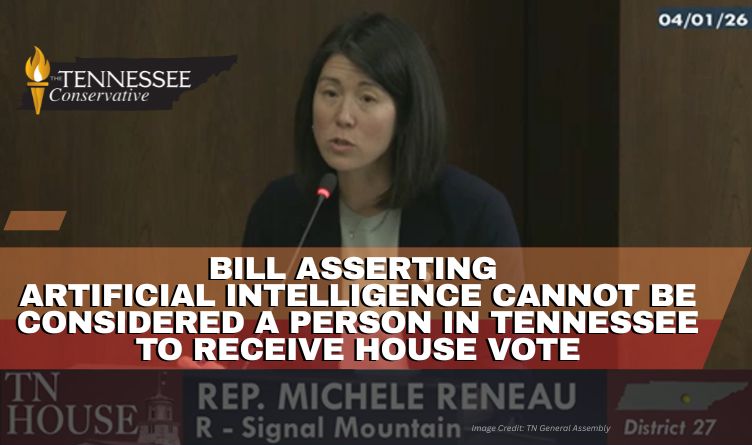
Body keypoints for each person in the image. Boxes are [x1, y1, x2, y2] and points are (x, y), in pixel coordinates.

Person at [244, 12, 519, 247]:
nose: (344, 116)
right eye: (330, 93)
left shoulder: (474, 215)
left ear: (406, 114)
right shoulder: (277, 212)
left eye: (367, 98)